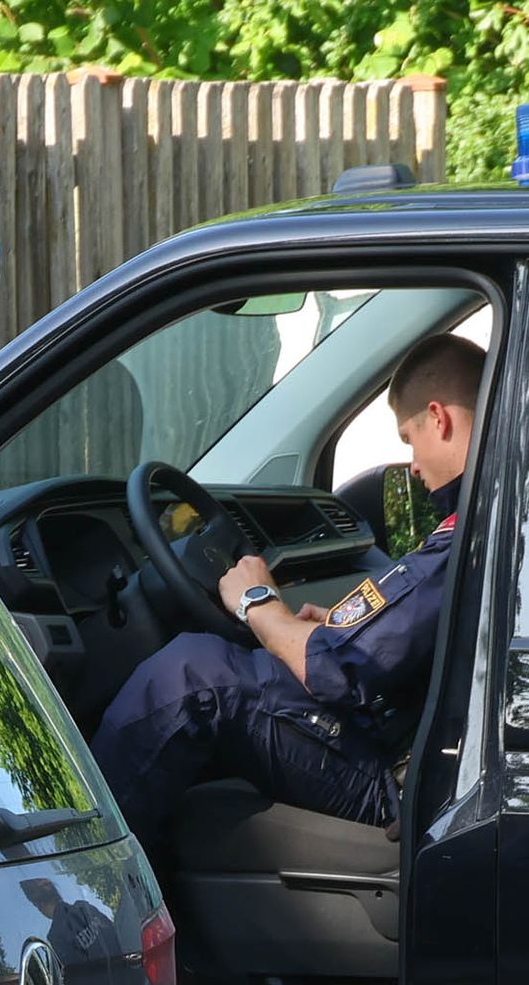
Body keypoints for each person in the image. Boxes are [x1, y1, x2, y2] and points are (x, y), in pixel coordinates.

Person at [91, 329, 480, 841]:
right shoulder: (485, 519)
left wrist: (258, 602)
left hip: (403, 781)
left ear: (439, 417)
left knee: (194, 676)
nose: (411, 463)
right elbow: (410, 632)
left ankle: (78, 875)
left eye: (409, 439)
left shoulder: (471, 533)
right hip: (415, 745)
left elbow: (339, 669)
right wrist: (338, 625)